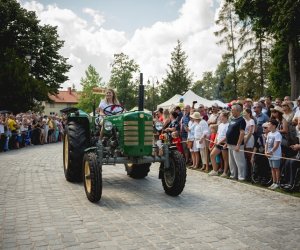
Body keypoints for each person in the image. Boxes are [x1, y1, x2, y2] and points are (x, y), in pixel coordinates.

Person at [224, 103, 247, 181]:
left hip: (237, 145)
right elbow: (229, 131)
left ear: (238, 111)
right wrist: (226, 142)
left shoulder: (242, 120)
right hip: (230, 143)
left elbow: (242, 133)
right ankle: (233, 175)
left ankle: (241, 176)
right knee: (232, 161)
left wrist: (238, 144)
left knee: (239, 161)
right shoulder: (232, 119)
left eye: (233, 110)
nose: (231, 111)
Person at [209, 111, 230, 177]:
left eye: (221, 116)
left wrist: (221, 142)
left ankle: (225, 172)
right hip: (218, 143)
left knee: (225, 159)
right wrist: (215, 141)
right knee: (212, 155)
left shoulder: (228, 125)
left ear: (225, 117)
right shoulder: (220, 124)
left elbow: (227, 136)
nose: (220, 118)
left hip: (224, 143)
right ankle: (215, 170)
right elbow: (217, 134)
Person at [265, 119, 282, 190]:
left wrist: (271, 152)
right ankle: (274, 182)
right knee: (272, 168)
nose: (268, 126)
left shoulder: (277, 134)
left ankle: (278, 182)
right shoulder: (269, 134)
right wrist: (265, 151)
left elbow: (276, 145)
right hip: (269, 154)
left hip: (275, 155)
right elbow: (266, 143)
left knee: (276, 168)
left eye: (269, 124)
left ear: (274, 126)